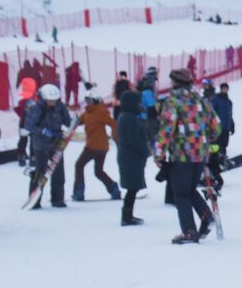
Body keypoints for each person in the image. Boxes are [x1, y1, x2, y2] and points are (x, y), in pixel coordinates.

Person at [155, 68, 220, 244]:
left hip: (182, 154)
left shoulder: (173, 102)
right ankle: (206, 216)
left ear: (174, 83)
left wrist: (159, 154)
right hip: (201, 154)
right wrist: (203, 140)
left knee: (180, 193)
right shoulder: (202, 101)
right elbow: (216, 127)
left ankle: (189, 232)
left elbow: (166, 131)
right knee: (189, 189)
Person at [25, 83, 73, 209]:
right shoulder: (37, 108)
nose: (52, 103)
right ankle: (35, 200)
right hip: (41, 145)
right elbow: (29, 125)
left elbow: (67, 121)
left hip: (56, 143)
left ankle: (58, 199)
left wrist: (71, 124)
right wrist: (42, 131)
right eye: (50, 101)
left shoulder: (60, 107)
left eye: (54, 101)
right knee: (40, 172)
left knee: (58, 171)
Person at [72, 95, 121, 201]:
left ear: (95, 101)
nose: (87, 103)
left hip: (93, 146)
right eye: (86, 100)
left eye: (89, 101)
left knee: (79, 165)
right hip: (101, 147)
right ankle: (113, 189)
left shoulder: (101, 111)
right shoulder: (87, 113)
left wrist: (116, 138)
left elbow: (113, 124)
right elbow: (78, 122)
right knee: (98, 171)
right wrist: (73, 121)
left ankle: (79, 192)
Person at [115, 90, 149, 226]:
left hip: (130, 156)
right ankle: (126, 217)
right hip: (131, 157)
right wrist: (145, 150)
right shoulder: (129, 118)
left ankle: (128, 215)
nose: (139, 105)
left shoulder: (126, 116)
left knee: (133, 187)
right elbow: (134, 139)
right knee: (132, 187)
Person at [14, 77, 37, 166]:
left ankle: (21, 156)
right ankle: (33, 158)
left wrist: (22, 115)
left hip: (23, 123)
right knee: (33, 141)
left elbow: (16, 109)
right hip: (34, 123)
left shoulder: (19, 98)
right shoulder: (36, 98)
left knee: (23, 140)